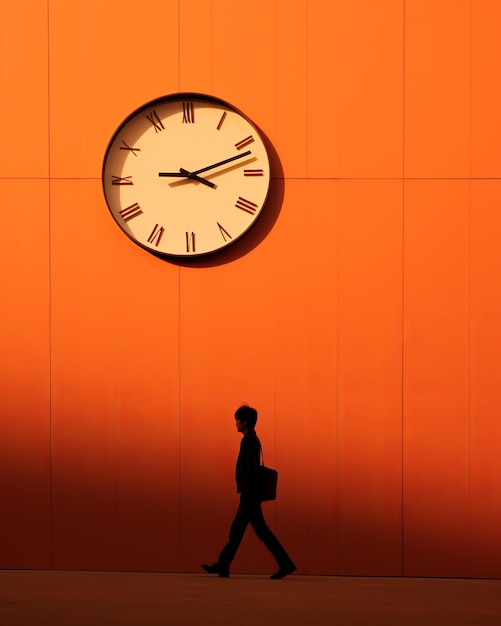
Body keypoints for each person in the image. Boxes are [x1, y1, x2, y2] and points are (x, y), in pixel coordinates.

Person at [202, 405, 297, 579]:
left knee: (239, 530)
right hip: (250, 494)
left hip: (249, 494)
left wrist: (247, 490)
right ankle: (285, 563)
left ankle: (223, 565)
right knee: (253, 531)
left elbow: (251, 469)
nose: (236, 423)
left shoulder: (249, 441)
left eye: (237, 419)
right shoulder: (250, 439)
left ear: (245, 422)